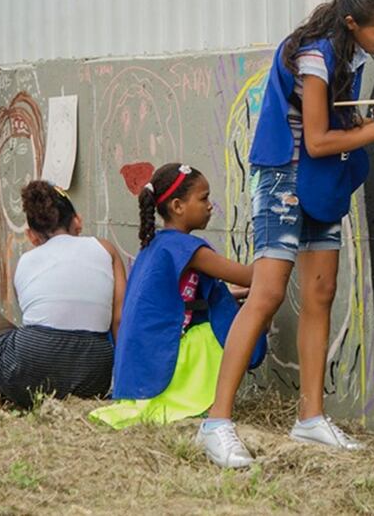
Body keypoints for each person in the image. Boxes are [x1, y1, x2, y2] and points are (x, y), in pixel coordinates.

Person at [196, 0, 374, 468]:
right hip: (285, 177)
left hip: (322, 182)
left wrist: (369, 120)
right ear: (351, 22)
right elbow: (315, 139)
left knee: (320, 293)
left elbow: (336, 125)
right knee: (268, 293)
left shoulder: (351, 53)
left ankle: (310, 419)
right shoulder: (317, 55)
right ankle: (216, 422)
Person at [90, 163, 265, 429]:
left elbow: (180, 297)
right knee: (236, 324)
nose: (210, 205)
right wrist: (277, 245)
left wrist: (231, 294)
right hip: (166, 359)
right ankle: (190, 396)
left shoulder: (157, 244)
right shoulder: (189, 249)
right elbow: (252, 276)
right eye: (203, 198)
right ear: (177, 206)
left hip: (144, 362)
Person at [0, 181, 126, 408]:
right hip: (94, 376)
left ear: (31, 236)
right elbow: (119, 320)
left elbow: (35, 319)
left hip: (30, 373)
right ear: (78, 221)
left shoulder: (25, 262)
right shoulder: (106, 250)